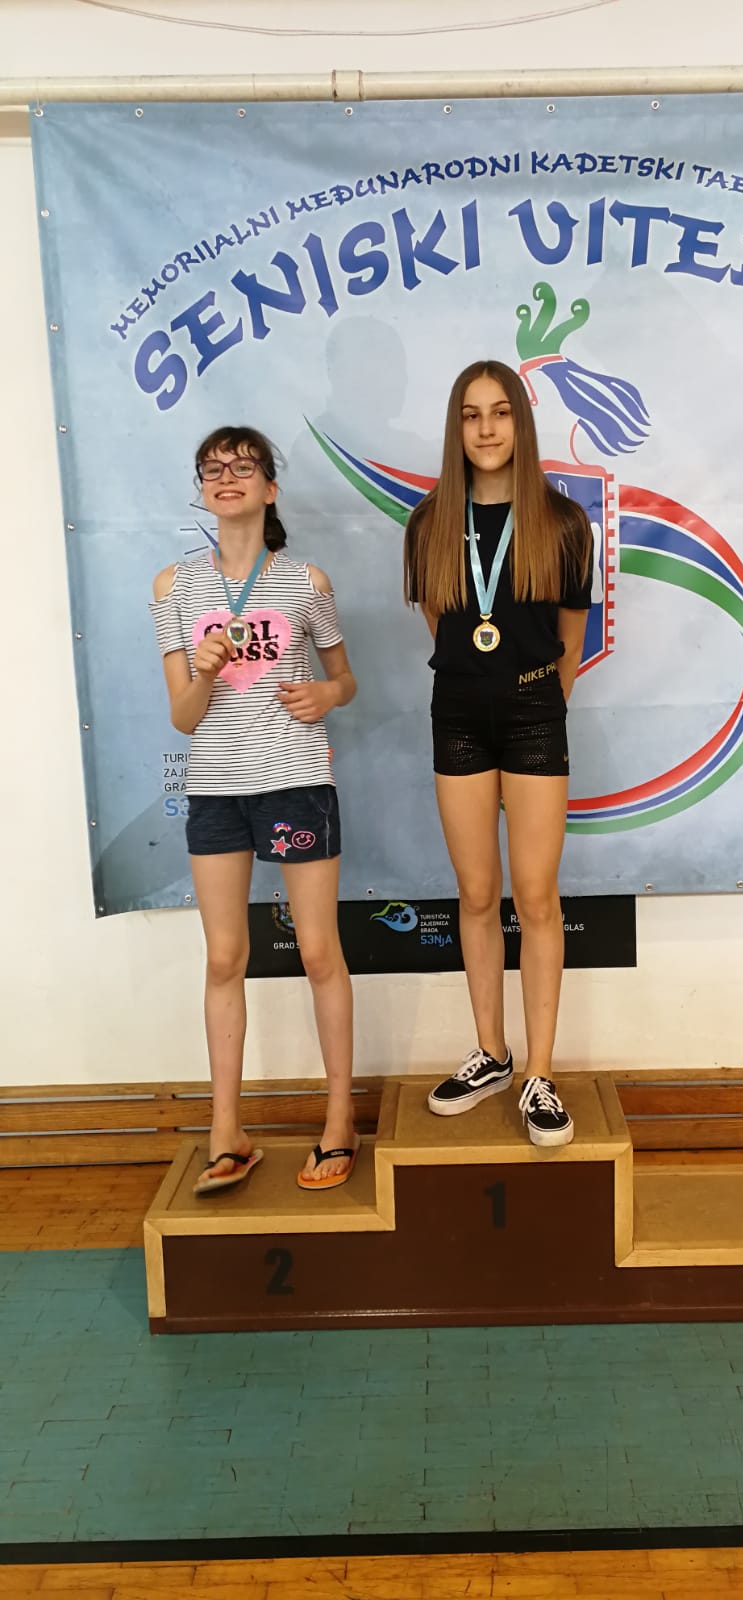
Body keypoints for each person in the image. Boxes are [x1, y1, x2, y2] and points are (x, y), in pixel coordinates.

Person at [150, 426, 358, 1194]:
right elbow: (183, 717)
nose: (226, 476)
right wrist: (204, 672)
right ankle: (226, 1131)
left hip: (294, 780)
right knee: (223, 959)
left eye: (243, 466)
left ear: (270, 489)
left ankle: (338, 1122)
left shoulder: (305, 581)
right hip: (215, 790)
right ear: (202, 489)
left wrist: (326, 694)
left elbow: (345, 680)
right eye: (212, 468)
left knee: (318, 952)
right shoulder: (174, 588)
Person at [403, 361, 592, 1146]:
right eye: (470, 414)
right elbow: (439, 624)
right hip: (457, 715)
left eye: (500, 412)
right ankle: (491, 1053)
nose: (485, 428)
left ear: (521, 422)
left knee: (536, 896)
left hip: (534, 713)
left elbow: (570, 639)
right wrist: (481, 683)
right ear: (456, 428)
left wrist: (533, 699)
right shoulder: (429, 523)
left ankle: (540, 1074)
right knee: (477, 893)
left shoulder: (561, 522)